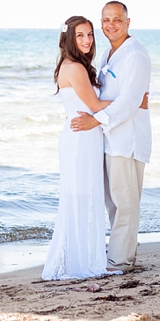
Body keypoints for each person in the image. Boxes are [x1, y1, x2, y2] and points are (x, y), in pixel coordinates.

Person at [70, 1, 151, 272]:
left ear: (128, 22)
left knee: (125, 202)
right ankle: (122, 252)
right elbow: (106, 95)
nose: (111, 24)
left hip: (127, 141)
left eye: (117, 19)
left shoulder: (135, 55)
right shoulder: (107, 54)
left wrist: (94, 120)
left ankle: (119, 261)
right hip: (109, 138)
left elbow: (129, 101)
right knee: (114, 202)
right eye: (106, 20)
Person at [41, 15, 119, 280]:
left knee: (86, 196)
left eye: (90, 35)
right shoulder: (74, 67)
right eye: (80, 36)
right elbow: (96, 107)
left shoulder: (77, 65)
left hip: (86, 135)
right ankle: (80, 262)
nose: (87, 40)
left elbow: (92, 108)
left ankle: (87, 258)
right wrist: (131, 101)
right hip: (79, 138)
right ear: (69, 39)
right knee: (81, 197)